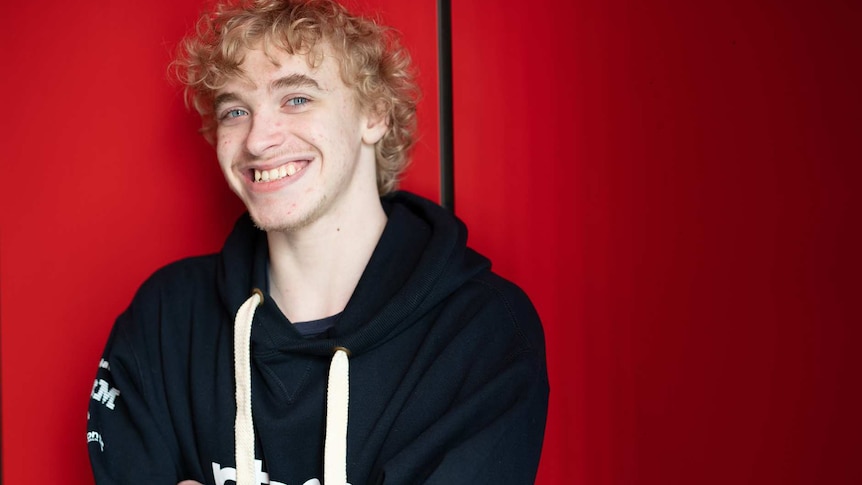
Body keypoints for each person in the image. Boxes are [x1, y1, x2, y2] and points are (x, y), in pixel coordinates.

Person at [86, 0, 549, 483]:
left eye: (297, 99)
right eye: (236, 110)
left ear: (374, 114)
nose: (258, 141)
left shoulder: (481, 330)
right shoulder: (166, 318)